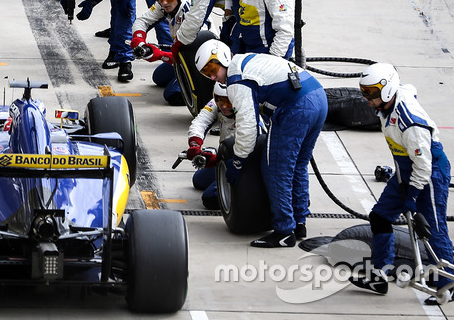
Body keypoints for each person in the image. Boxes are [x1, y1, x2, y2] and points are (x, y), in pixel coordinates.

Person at [194, 39, 327, 247]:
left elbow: (247, 128)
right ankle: (299, 221)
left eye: (212, 68)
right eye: (206, 73)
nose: (212, 76)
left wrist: (237, 159)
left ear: (224, 59)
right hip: (318, 95)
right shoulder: (245, 61)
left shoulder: (237, 80)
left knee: (275, 169)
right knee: (298, 164)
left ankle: (284, 231)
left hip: (296, 106)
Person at [350, 63, 453, 304]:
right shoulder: (390, 101)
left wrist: (413, 197)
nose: (367, 99)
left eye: (371, 94)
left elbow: (424, 167)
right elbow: (410, 89)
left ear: (387, 91)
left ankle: (449, 282)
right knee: (380, 216)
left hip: (429, 172)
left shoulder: (411, 124)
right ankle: (379, 274)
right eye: (364, 92)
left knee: (433, 229)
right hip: (404, 168)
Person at [130, 0, 188, 105]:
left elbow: (192, 56)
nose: (165, 2)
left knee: (173, 95)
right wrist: (139, 40)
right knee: (159, 78)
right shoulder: (163, 4)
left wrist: (161, 55)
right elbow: (142, 21)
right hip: (182, 53)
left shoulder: (190, 12)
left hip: (198, 61)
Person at [186, 82, 237, 210]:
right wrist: (195, 144)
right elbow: (200, 122)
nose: (224, 106)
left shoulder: (250, 112)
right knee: (199, 180)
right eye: (220, 100)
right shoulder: (215, 104)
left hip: (243, 164)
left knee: (210, 199)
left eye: (229, 102)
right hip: (225, 158)